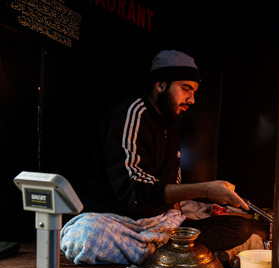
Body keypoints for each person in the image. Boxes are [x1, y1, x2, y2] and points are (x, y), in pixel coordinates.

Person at [78, 49, 268, 255]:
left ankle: (163, 250)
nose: (192, 99)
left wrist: (177, 219)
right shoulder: (133, 114)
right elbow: (133, 190)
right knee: (89, 234)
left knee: (240, 226)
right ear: (160, 84)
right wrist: (205, 190)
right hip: (123, 219)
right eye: (186, 89)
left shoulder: (171, 126)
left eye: (194, 92)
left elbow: (173, 184)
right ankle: (166, 251)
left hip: (160, 222)